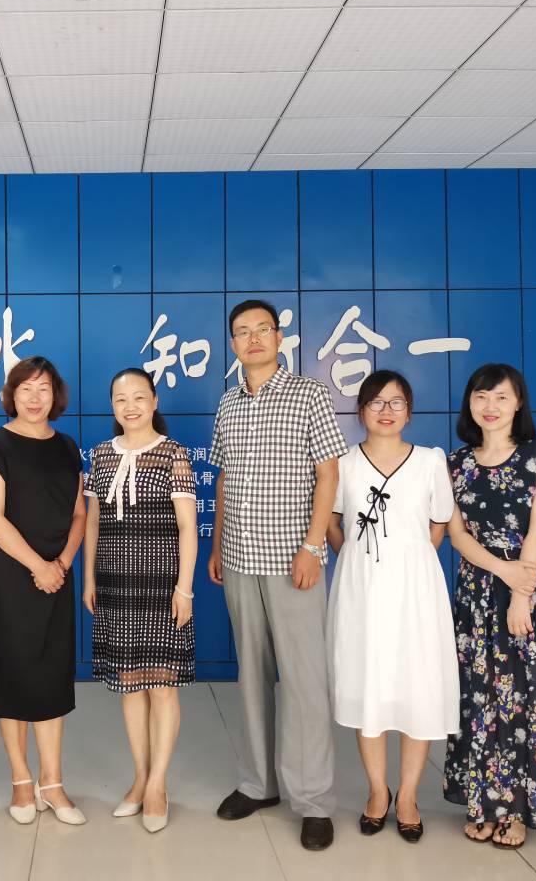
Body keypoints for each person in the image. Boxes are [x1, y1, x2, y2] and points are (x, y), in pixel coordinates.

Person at [208, 298, 347, 852]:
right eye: (242, 332)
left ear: (278, 337)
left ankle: (313, 801)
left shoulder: (309, 394)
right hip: (239, 558)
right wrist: (217, 545)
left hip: (294, 561)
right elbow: (224, 478)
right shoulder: (228, 402)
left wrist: (313, 546)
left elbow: (328, 474)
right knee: (252, 677)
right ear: (233, 344)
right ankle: (258, 784)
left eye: (262, 329)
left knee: (305, 684)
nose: (253, 339)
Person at [443, 363, 536, 849]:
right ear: (470, 403)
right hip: (477, 590)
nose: (490, 406)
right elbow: (457, 535)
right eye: (481, 396)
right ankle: (485, 804)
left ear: (518, 403)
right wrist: (500, 572)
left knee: (527, 696)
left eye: (501, 397)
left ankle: (519, 809)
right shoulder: (456, 463)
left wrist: (520, 593)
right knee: (480, 697)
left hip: (531, 587)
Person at [325, 370, 459, 844]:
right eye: (376, 402)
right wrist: (356, 560)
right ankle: (378, 791)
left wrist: (410, 559)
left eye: (396, 402)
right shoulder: (343, 464)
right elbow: (332, 521)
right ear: (361, 410)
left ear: (409, 411)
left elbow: (439, 524)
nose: (386, 410)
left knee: (417, 686)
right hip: (360, 589)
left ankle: (408, 796)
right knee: (370, 685)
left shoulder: (429, 461)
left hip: (416, 590)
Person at [82, 368, 197, 834]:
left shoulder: (173, 453)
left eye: (138, 397)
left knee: (162, 686)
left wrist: (184, 588)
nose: (129, 406)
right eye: (120, 399)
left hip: (162, 585)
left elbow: (187, 527)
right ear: (113, 405)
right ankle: (139, 778)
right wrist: (89, 578)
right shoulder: (101, 454)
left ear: (153, 401)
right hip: (114, 584)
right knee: (130, 685)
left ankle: (158, 785)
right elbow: (92, 522)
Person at [0, 356, 87, 826]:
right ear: (12, 395)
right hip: (13, 575)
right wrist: (38, 565)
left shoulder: (67, 446)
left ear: (54, 394)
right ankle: (21, 780)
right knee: (14, 673)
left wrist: (61, 564)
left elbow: (79, 514)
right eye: (26, 388)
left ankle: (52, 782)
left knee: (52, 675)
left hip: (57, 575)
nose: (35, 397)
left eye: (43, 388)